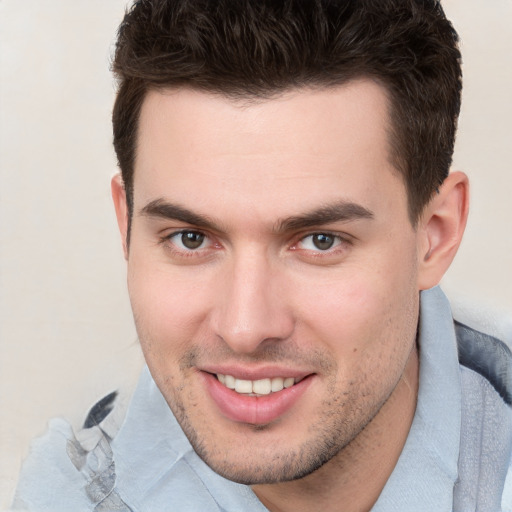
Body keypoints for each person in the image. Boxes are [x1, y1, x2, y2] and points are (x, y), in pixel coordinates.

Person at [12, 0, 512, 511]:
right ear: (127, 226)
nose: (245, 328)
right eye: (190, 238)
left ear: (435, 235)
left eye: (320, 240)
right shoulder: (65, 496)